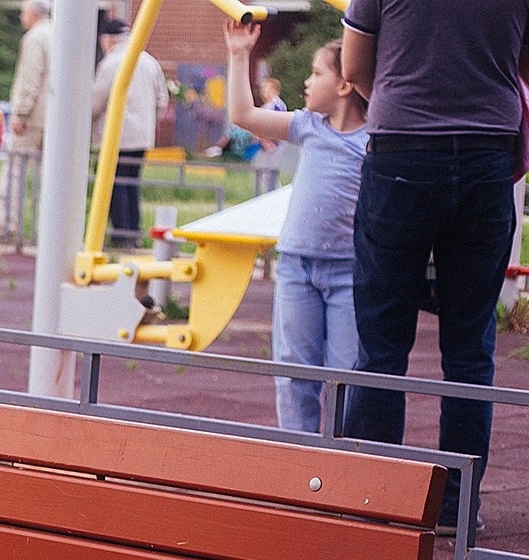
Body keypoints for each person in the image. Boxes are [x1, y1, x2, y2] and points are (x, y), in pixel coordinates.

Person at [340, 0, 526, 532]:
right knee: (470, 348)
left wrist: (401, 100)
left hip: (402, 150)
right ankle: (457, 508)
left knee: (382, 343)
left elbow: (353, 66)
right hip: (487, 154)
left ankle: (374, 501)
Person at [222, 19, 369, 434]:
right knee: (293, 372)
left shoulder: (373, 139)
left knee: (347, 376)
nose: (306, 82)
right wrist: (239, 54)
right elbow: (243, 115)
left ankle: (342, 456)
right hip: (296, 267)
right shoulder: (308, 125)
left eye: (317, 73)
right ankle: (297, 452)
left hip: (348, 272)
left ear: (345, 85)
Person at [92, 16, 169, 247]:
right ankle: (134, 233)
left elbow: (95, 102)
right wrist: (149, 121)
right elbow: (162, 100)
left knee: (114, 185)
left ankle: (121, 234)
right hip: (142, 136)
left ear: (108, 40)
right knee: (132, 184)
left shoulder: (111, 63)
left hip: (115, 136)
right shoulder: (149, 61)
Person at [0, 0, 52, 238]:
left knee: (15, 172)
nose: (21, 17)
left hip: (33, 118)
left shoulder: (34, 38)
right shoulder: (62, 34)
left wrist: (20, 113)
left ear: (33, 13)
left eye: (23, 12)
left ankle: (7, 226)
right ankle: (48, 231)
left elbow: (30, 78)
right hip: (56, 119)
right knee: (51, 176)